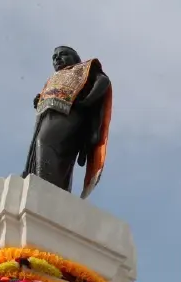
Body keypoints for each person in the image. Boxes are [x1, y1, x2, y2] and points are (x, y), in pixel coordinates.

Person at [23, 46, 113, 198]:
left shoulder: (84, 68)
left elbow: (103, 81)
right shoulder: (55, 77)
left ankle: (46, 189)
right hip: (47, 117)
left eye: (63, 54)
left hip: (70, 115)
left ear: (76, 58)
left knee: (45, 143)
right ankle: (54, 189)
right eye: (54, 57)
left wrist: (87, 101)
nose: (57, 59)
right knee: (39, 148)